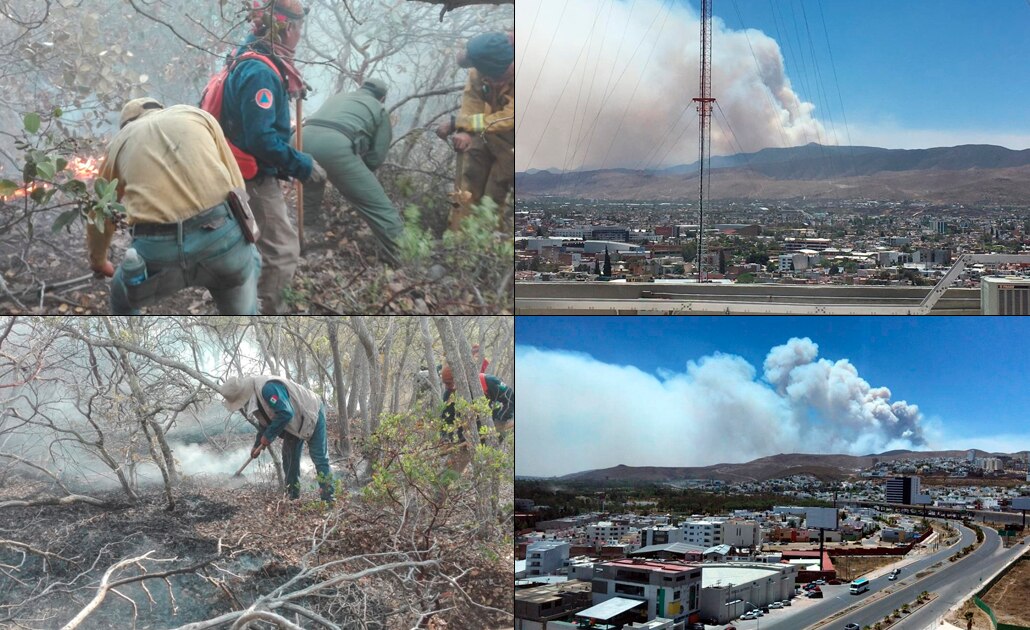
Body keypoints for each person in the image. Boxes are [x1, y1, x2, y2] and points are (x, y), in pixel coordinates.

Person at [89, 98, 261, 314]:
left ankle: (128, 343)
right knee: (248, 270)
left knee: (121, 296)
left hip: (157, 252)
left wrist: (99, 261)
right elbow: (237, 185)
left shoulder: (119, 142)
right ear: (162, 109)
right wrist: (244, 234)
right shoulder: (196, 115)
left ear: (126, 124)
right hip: (221, 238)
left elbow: (101, 211)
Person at [220, 0, 326, 313]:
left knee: (254, 243)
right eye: (299, 29)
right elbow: (261, 139)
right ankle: (268, 312)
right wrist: (302, 165)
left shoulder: (250, 53)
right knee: (282, 252)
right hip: (253, 177)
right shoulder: (259, 71)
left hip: (241, 169)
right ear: (289, 28)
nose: (300, 37)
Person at [294, 78, 403, 265]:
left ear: (360, 88)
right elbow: (376, 156)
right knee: (379, 207)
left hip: (298, 140)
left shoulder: (340, 97)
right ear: (382, 97)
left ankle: (302, 232)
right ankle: (406, 256)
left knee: (313, 183)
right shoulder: (379, 108)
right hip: (332, 147)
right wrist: (357, 175)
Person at [435, 32, 514, 234]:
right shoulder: (479, 70)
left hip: (512, 142)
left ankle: (486, 245)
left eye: (498, 78)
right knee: (468, 181)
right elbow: (472, 102)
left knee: (494, 192)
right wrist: (463, 132)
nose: (493, 83)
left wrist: (460, 123)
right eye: (488, 78)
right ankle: (459, 241)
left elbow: (510, 117)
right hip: (485, 133)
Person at [220, 374, 335, 503]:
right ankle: (292, 497)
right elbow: (265, 421)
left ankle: (328, 499)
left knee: (320, 458)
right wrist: (257, 444)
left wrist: (268, 437)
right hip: (293, 423)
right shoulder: (255, 398)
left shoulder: (268, 390)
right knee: (289, 459)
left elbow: (286, 413)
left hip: (312, 411)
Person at [438, 364, 515, 472]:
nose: (447, 387)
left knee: (485, 470)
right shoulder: (449, 394)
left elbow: (511, 398)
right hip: (466, 437)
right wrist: (446, 439)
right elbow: (446, 420)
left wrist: (499, 422)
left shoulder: (487, 382)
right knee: (450, 473)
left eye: (449, 383)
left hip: (491, 433)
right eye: (445, 383)